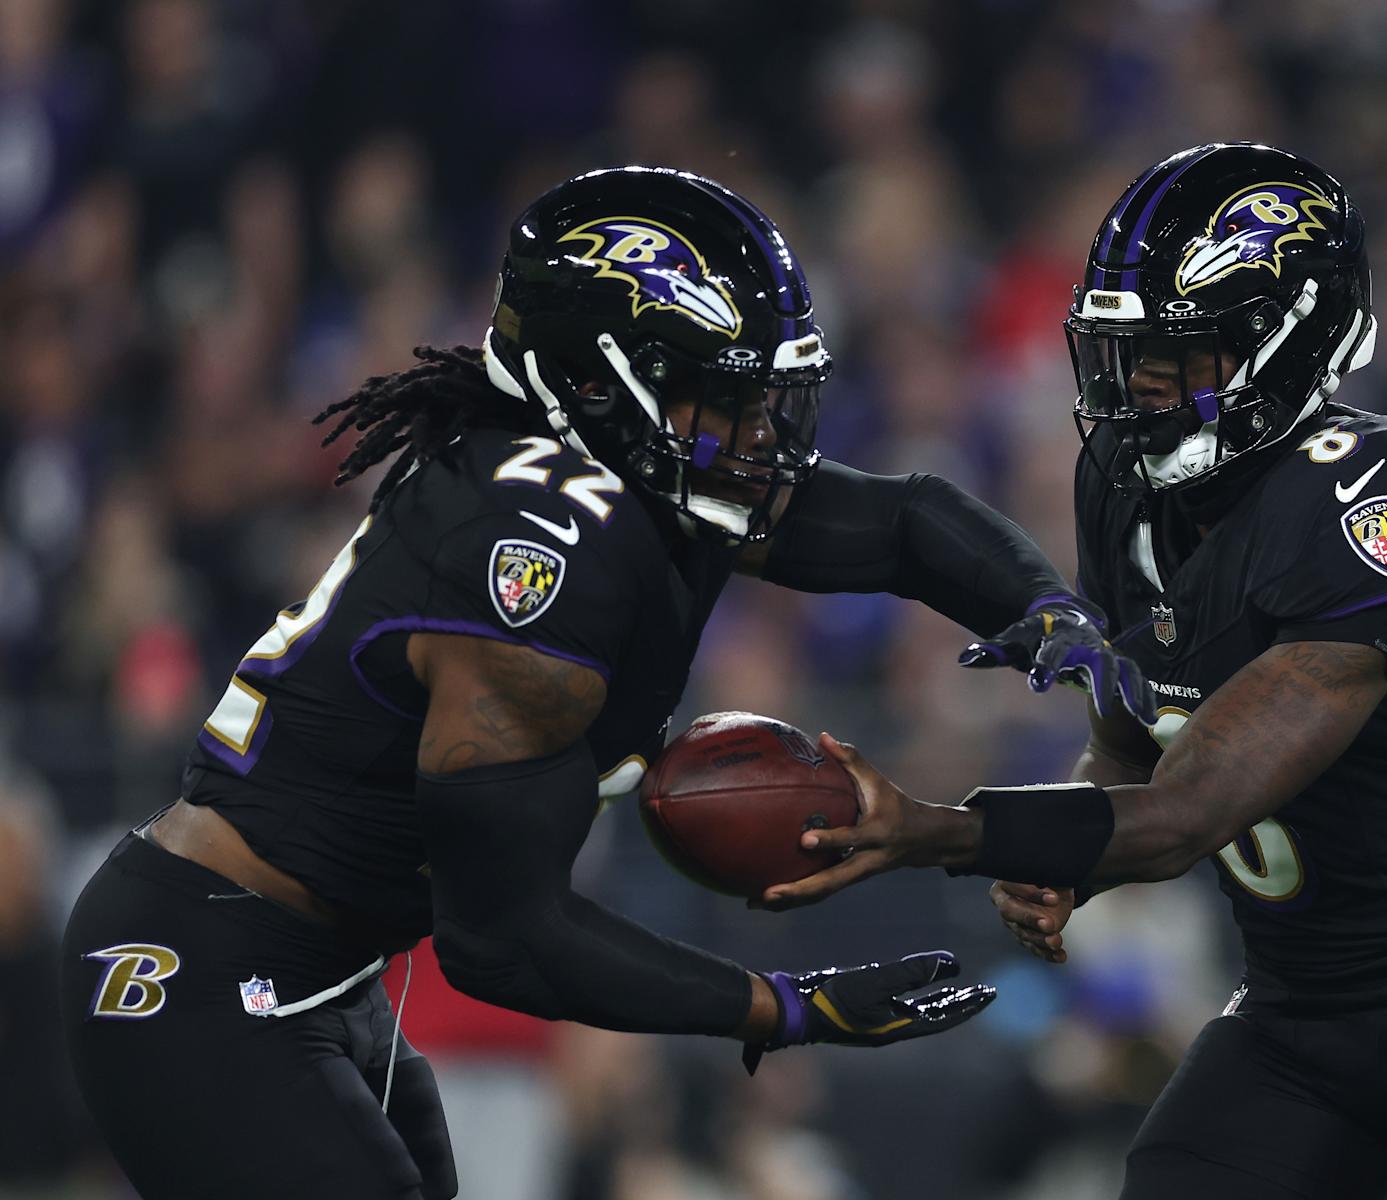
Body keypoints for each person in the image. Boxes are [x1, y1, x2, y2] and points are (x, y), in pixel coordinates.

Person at [59, 165, 1153, 1200]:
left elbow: (904, 520)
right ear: (594, 385)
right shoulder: (538, 560)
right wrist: (783, 1007)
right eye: (724, 402)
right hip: (207, 963)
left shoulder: (630, 476)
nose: (761, 437)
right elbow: (504, 940)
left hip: (315, 960)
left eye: (769, 399)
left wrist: (1049, 608)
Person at [760, 143, 1387, 1199]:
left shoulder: (1381, 485)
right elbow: (1132, 738)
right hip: (1297, 1005)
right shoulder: (1127, 488)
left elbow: (1191, 806)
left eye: (1177, 355)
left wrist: (934, 830)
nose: (1139, 386)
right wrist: (1070, 848)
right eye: (1125, 352)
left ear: (1286, 345)